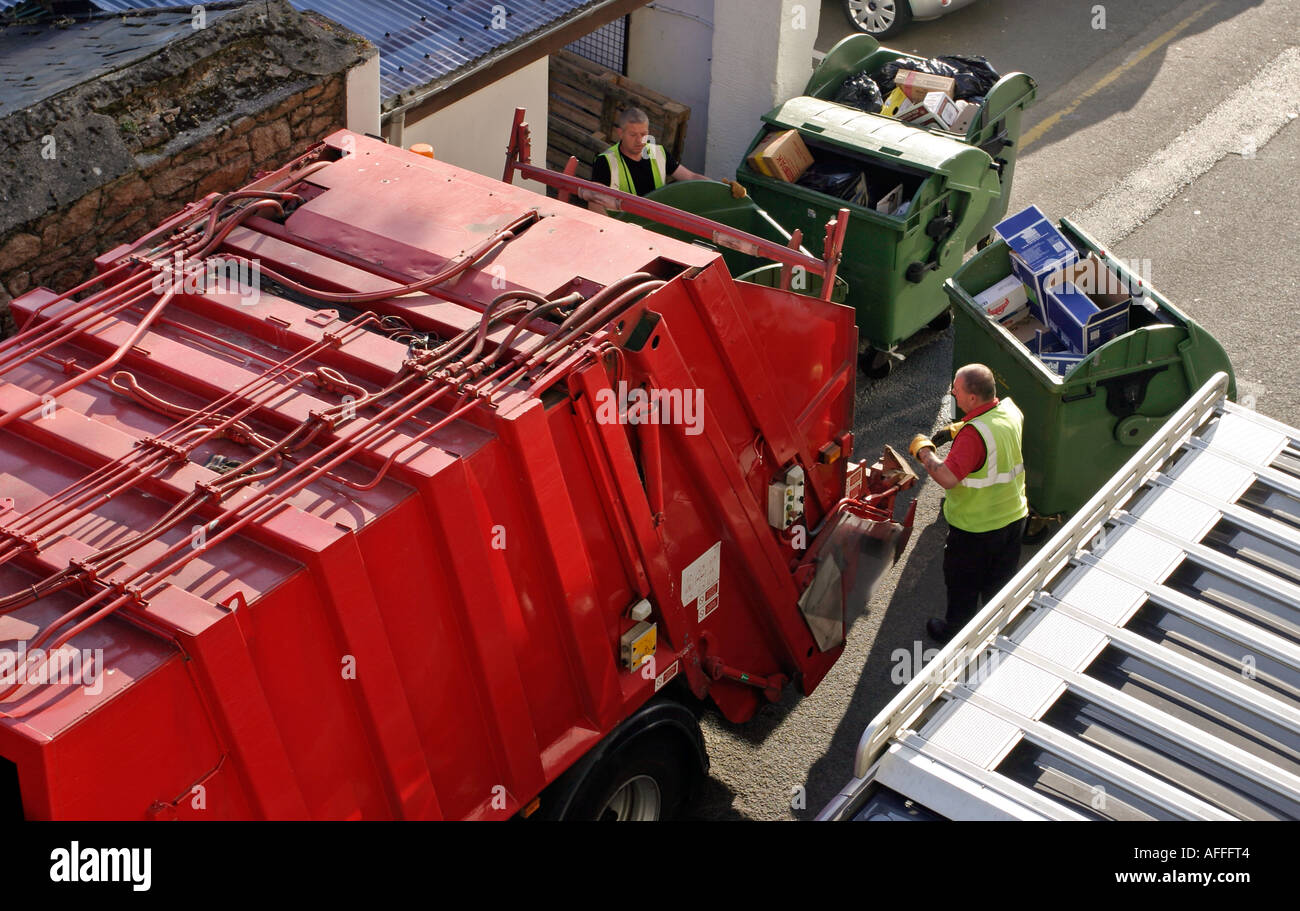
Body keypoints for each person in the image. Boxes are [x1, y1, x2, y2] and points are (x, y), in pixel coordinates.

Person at [908, 364, 1028, 645]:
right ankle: (996, 629)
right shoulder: (1010, 411)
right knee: (998, 582)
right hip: (1014, 517)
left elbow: (947, 477)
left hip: (977, 530)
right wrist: (961, 427)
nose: (952, 392)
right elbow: (993, 428)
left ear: (973, 398)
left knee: (963, 586)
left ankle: (956, 635)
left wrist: (923, 452)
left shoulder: (974, 436)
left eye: (957, 389)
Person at [585, 107, 745, 212]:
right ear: (620, 133)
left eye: (643, 134)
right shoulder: (605, 162)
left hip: (655, 225)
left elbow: (690, 177)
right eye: (633, 135)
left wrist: (720, 188)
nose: (639, 140)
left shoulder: (658, 153)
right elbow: (594, 201)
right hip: (623, 231)